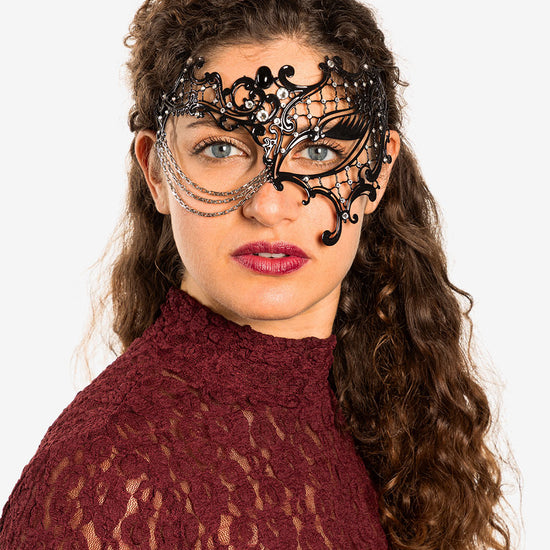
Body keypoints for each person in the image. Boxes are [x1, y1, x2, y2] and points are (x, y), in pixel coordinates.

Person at [0, 0, 512, 548]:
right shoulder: (107, 478)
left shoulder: (389, 429)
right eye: (221, 148)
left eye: (319, 150)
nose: (268, 206)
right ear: (157, 172)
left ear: (379, 170)